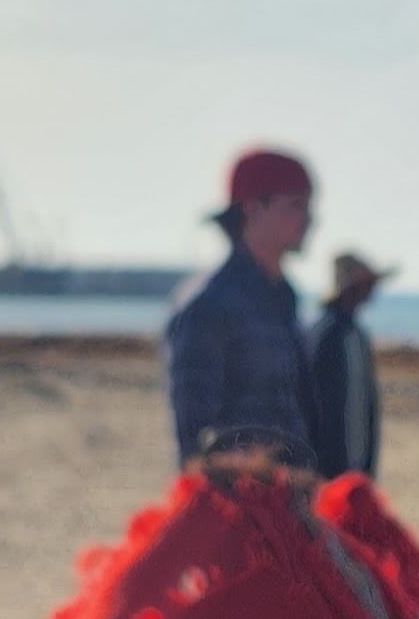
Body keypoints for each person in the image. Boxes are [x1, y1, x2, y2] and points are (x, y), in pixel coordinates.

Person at [164, 147, 315, 467]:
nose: (309, 219)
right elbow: (193, 442)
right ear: (253, 208)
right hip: (239, 506)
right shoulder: (208, 305)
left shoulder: (284, 298)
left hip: (290, 502)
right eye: (296, 205)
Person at [304, 248, 391, 479]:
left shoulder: (356, 334)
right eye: (367, 283)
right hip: (328, 469)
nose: (372, 290)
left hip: (355, 466)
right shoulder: (325, 334)